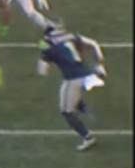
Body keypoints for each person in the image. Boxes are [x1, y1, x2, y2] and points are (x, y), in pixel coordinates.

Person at [37, 20, 105, 151]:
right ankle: (85, 109)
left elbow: (42, 72)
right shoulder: (72, 37)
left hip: (74, 78)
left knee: (66, 111)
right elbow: (94, 44)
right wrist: (99, 64)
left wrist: (43, 55)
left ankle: (87, 137)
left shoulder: (49, 46)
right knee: (70, 96)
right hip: (87, 74)